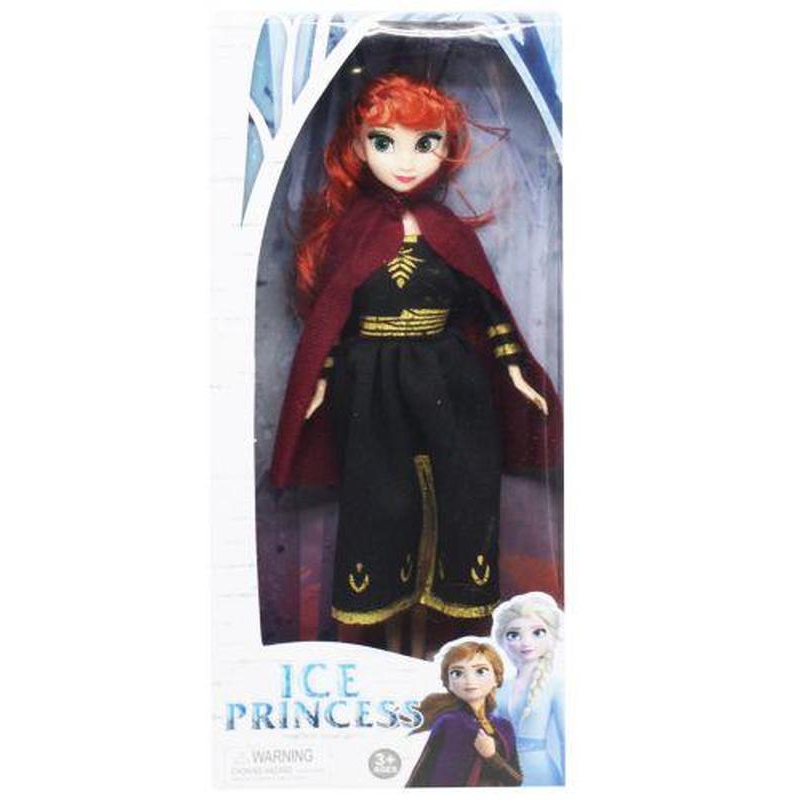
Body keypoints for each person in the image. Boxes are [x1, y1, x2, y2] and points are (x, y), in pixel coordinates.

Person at [269, 73, 562, 655]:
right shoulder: (353, 231)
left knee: (459, 491)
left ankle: (436, 644)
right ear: (357, 147)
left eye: (424, 143)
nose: (405, 161)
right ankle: (387, 642)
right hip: (371, 384)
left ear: (446, 148)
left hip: (449, 380)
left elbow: (487, 305)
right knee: (381, 499)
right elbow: (331, 316)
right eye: (385, 142)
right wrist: (320, 380)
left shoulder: (447, 231)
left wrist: (514, 371)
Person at [406, 639, 522, 787]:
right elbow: (423, 773)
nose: (469, 679)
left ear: (496, 678)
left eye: (480, 671)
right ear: (448, 683)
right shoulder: (449, 722)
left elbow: (516, 781)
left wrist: (492, 757)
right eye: (457, 673)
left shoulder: (504, 726)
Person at [492, 592, 565, 785]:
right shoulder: (500, 686)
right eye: (514, 634)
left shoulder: (556, 685)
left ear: (551, 636)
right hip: (502, 773)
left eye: (537, 632)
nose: (526, 642)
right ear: (502, 640)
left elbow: (566, 741)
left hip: (539, 774)